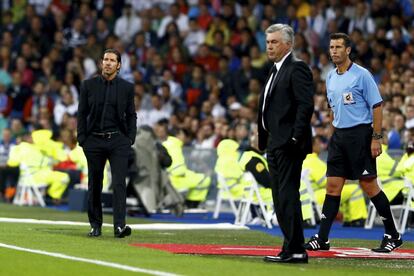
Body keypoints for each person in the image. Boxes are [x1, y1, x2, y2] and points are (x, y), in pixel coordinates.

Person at [304, 33, 402, 253]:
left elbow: (377, 106)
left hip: (361, 135)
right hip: (339, 138)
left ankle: (392, 235)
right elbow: (332, 108)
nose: (334, 51)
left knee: (368, 186)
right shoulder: (330, 76)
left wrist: (376, 138)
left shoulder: (362, 75)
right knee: (332, 186)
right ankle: (322, 238)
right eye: (331, 47)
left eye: (339, 47)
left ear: (348, 50)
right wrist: (332, 134)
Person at [257, 24, 314, 264]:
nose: (269, 46)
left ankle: (297, 249)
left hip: (288, 144)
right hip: (274, 143)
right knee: (280, 197)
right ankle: (290, 246)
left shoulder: (296, 68)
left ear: (288, 45)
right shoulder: (275, 70)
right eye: (268, 42)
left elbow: (305, 105)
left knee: (288, 195)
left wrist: (294, 138)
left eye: (274, 42)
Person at [77, 49, 137, 238]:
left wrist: (130, 138)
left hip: (118, 140)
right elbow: (81, 113)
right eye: (105, 59)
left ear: (118, 65)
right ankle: (95, 225)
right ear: (101, 63)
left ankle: (119, 226)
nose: (108, 63)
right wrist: (82, 138)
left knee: (119, 183)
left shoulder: (127, 87)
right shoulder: (88, 85)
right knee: (95, 184)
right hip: (93, 140)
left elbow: (131, 115)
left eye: (112, 60)